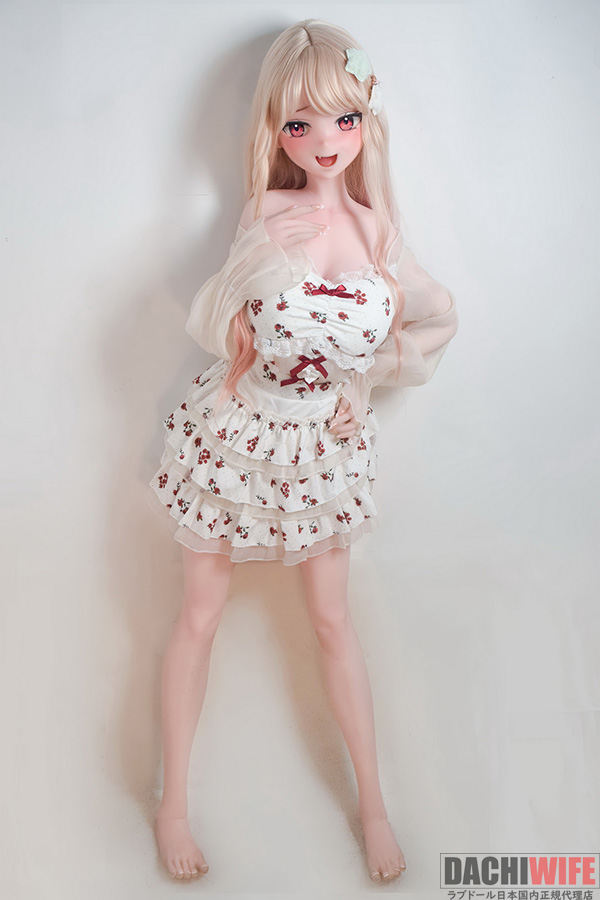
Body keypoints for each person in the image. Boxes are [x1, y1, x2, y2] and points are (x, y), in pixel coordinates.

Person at [147, 18, 459, 885]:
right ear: (276, 130)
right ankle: (173, 804)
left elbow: (438, 316)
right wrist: (253, 269)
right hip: (240, 436)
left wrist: (367, 379)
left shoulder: (377, 230)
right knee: (199, 616)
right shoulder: (267, 213)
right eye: (301, 123)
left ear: (366, 122)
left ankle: (374, 805)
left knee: (332, 620)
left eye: (344, 119)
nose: (325, 141)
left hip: (321, 451)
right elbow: (216, 323)